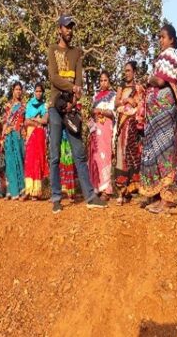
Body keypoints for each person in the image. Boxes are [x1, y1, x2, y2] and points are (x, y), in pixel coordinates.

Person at [46, 14, 107, 213]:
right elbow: (54, 78)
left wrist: (75, 97)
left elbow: (79, 80)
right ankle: (56, 198)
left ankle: (90, 195)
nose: (69, 30)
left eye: (71, 27)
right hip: (56, 108)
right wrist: (72, 88)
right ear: (59, 30)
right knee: (55, 155)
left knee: (79, 154)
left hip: (72, 109)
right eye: (66, 27)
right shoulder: (52, 50)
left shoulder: (77, 53)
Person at [140, 24, 177, 214]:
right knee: (159, 151)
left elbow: (159, 81)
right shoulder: (162, 57)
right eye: (159, 37)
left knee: (165, 152)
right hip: (157, 112)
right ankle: (161, 198)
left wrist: (148, 79)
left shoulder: (170, 55)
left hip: (164, 111)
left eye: (163, 37)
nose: (160, 40)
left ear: (172, 40)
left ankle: (167, 200)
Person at [114, 61, 144, 205]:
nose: (126, 73)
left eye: (129, 71)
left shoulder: (138, 88)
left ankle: (130, 191)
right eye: (125, 71)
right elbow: (116, 103)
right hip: (122, 123)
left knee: (131, 153)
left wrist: (134, 102)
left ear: (134, 72)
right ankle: (121, 191)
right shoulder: (121, 87)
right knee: (121, 153)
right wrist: (126, 100)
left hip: (133, 124)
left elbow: (141, 105)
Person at [88, 71, 116, 201]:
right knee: (96, 157)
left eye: (105, 80)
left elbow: (113, 113)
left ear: (109, 81)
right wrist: (94, 112)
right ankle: (97, 187)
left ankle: (107, 189)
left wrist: (101, 111)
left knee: (105, 156)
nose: (103, 83)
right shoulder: (96, 96)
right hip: (96, 129)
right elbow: (92, 112)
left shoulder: (113, 95)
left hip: (106, 129)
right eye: (101, 80)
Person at [24, 83, 49, 200]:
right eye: (37, 91)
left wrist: (36, 120)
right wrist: (37, 122)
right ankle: (29, 189)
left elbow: (45, 120)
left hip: (40, 135)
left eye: (40, 91)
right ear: (34, 92)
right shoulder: (29, 104)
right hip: (30, 134)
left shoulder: (44, 105)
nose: (38, 93)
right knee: (30, 160)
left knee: (38, 161)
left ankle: (36, 192)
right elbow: (26, 121)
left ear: (42, 92)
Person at [3, 81, 26, 200]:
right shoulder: (8, 106)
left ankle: (22, 189)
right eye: (16, 89)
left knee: (20, 160)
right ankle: (11, 191)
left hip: (18, 136)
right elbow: (4, 122)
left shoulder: (23, 106)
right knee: (10, 162)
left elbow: (24, 121)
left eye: (20, 89)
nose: (18, 91)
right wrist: (3, 135)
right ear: (12, 90)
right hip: (8, 136)